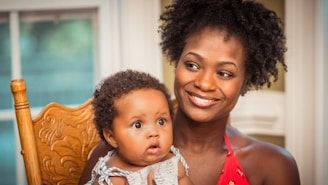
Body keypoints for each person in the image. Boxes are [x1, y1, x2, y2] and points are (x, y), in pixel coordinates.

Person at [79, 0, 301, 185]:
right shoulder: (117, 154)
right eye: (193, 65)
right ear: (177, 62)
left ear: (245, 82)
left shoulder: (273, 166)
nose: (204, 84)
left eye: (224, 73)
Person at [85, 69, 193, 185]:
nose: (153, 132)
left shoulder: (173, 164)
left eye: (161, 121)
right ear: (112, 137)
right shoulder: (112, 177)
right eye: (138, 125)